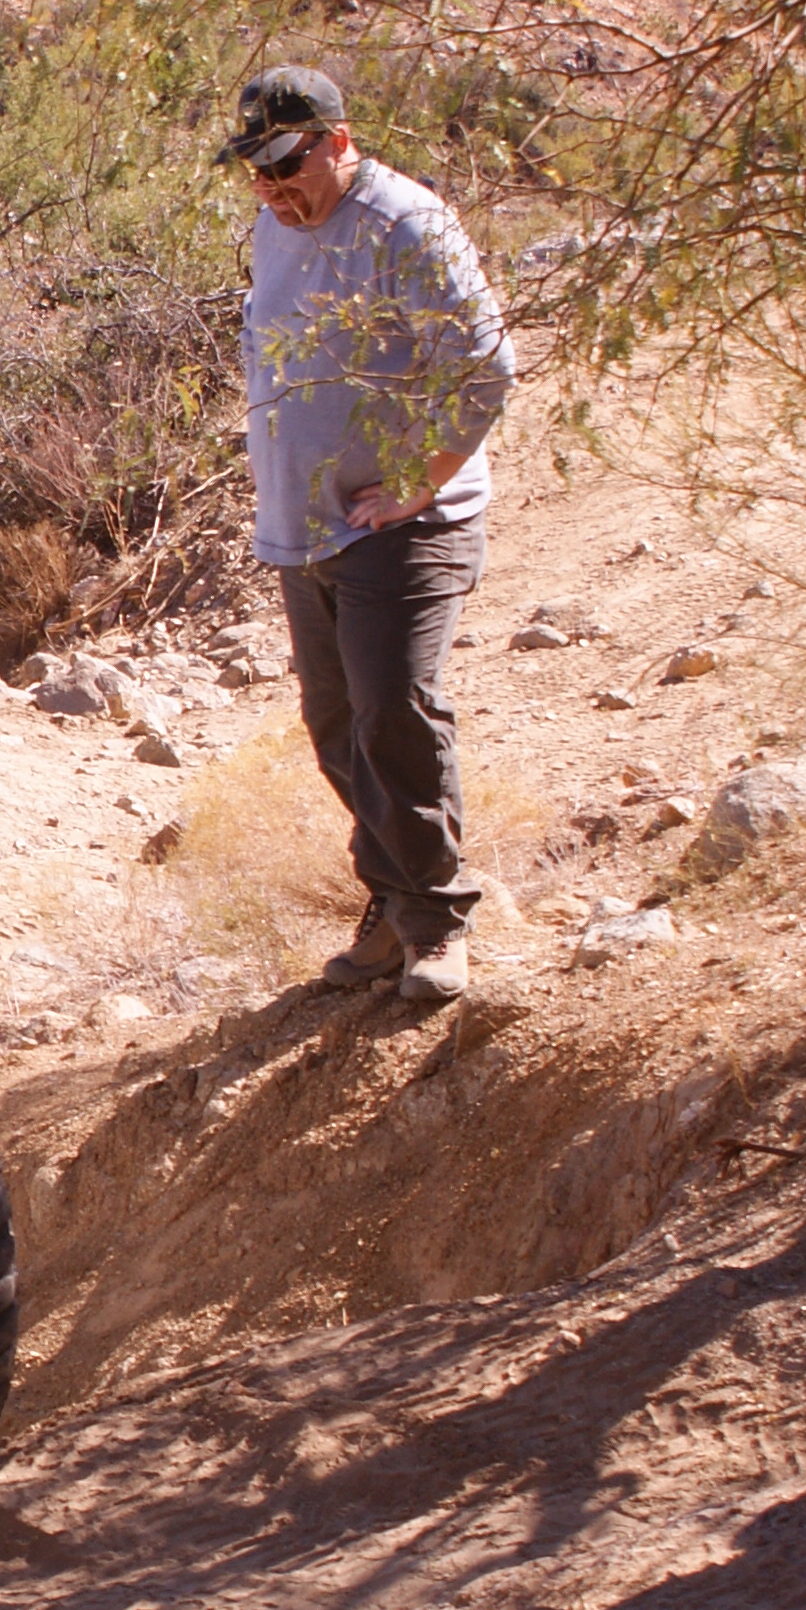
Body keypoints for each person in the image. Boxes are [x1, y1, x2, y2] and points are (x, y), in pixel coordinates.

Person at [225, 64, 519, 1008]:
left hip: (404, 524)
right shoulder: (276, 223)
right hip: (305, 526)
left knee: (392, 709)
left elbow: (484, 366)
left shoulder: (406, 226)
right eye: (257, 171)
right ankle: (393, 901)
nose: (273, 188)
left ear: (338, 142)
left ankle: (434, 920)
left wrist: (415, 482)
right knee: (338, 724)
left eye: (287, 164)